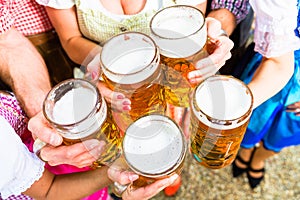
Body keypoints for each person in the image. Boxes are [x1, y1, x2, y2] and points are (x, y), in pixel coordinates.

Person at [0, 90, 178, 200]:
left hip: (59, 160)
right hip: (47, 184)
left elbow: (9, 43)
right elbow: (49, 190)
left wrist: (43, 108)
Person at [231, 0, 300, 189]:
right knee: (250, 119)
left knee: (283, 134)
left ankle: (258, 160)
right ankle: (245, 152)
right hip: (269, 60)